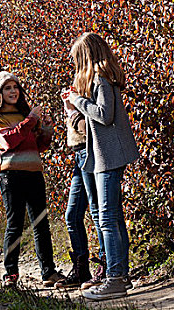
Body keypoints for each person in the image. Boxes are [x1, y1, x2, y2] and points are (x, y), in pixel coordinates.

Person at [65, 32, 139, 300]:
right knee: (114, 217)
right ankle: (120, 274)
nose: (75, 65)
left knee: (107, 218)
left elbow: (104, 116)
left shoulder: (101, 79)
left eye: (76, 59)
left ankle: (115, 278)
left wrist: (78, 102)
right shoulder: (102, 78)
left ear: (86, 55)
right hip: (105, 155)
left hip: (109, 157)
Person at [0, 71, 65, 288]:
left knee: (41, 224)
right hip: (10, 176)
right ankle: (10, 273)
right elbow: (9, 141)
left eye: (15, 87)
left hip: (34, 173)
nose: (13, 91)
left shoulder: (25, 116)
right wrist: (31, 120)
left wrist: (46, 127)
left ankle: (48, 272)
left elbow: (40, 145)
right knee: (15, 224)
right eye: (7, 88)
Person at [54, 88, 106, 289]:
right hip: (79, 154)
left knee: (98, 212)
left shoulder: (93, 84)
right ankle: (81, 270)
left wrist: (71, 112)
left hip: (89, 152)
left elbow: (89, 127)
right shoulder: (80, 83)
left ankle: (105, 267)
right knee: (72, 215)